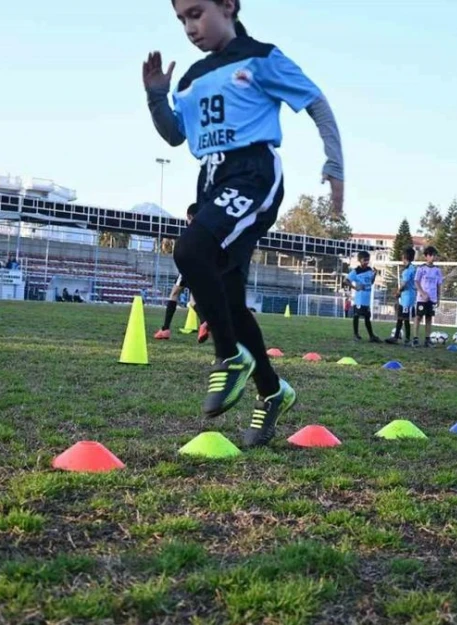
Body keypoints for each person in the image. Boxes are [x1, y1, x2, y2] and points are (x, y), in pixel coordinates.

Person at [143, 0, 344, 447]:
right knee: (229, 300)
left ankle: (229, 357)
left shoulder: (261, 57)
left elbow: (317, 104)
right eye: (181, 20)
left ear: (229, 6)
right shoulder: (192, 78)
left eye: (196, 13)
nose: (189, 27)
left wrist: (335, 167)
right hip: (211, 182)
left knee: (192, 251)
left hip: (253, 174)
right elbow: (177, 134)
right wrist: (157, 95)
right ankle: (273, 391)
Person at [155, 203, 206, 340]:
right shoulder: (205, 229)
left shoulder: (192, 230)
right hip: (204, 269)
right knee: (193, 301)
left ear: (189, 216)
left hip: (189, 267)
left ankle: (165, 329)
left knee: (174, 294)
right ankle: (205, 323)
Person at [348, 251, 381, 342]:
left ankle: (371, 336)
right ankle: (356, 334)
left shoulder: (369, 270)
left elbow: (371, 282)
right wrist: (355, 287)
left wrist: (374, 274)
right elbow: (345, 281)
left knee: (367, 317)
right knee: (356, 315)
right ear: (359, 260)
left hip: (367, 299)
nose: (366, 262)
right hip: (359, 299)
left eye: (368, 260)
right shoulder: (355, 271)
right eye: (364, 260)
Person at [387, 248, 418, 346]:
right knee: (400, 318)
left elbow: (404, 284)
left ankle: (407, 339)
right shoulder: (413, 268)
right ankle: (396, 337)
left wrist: (398, 292)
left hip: (407, 298)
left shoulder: (408, 271)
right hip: (408, 297)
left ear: (404, 257)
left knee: (406, 319)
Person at [414, 246, 444, 347]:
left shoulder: (437, 270)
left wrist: (438, 298)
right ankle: (415, 338)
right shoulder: (421, 268)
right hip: (422, 298)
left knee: (429, 318)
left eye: (434, 255)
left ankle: (427, 340)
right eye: (431, 255)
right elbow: (416, 282)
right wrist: (422, 293)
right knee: (418, 317)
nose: (433, 257)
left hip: (432, 298)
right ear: (426, 256)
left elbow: (439, 284)